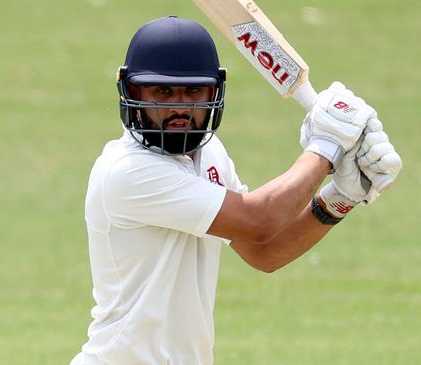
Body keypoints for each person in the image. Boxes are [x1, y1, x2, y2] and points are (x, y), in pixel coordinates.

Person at [71, 16, 402, 365]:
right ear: (134, 92)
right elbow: (260, 219)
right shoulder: (127, 172)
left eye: (194, 91)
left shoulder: (209, 154)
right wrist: (326, 148)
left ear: (214, 91)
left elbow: (264, 251)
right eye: (163, 91)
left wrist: (341, 197)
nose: (181, 106)